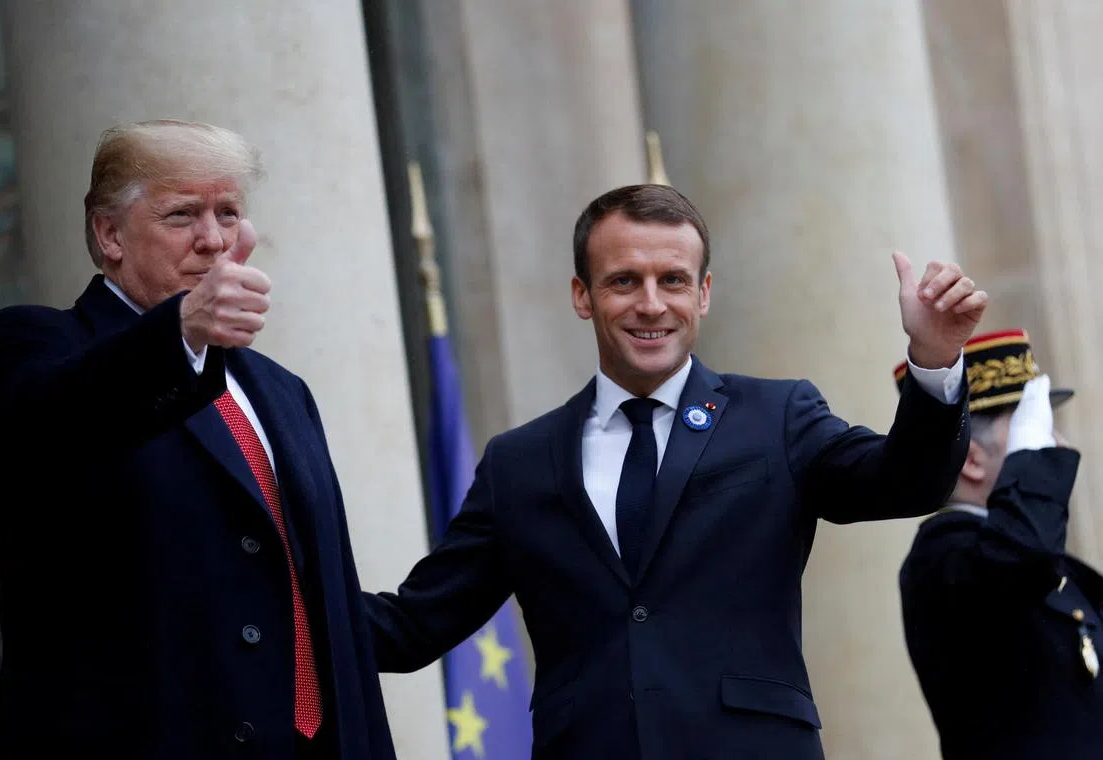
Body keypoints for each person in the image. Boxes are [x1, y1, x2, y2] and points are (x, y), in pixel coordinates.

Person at [365, 184, 985, 759]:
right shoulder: (518, 462)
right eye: (624, 281)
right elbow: (413, 626)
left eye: (673, 280)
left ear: (704, 293)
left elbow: (909, 482)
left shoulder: (777, 416)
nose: (651, 304)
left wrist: (935, 359)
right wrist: (276, 586)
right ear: (582, 295)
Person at [0, 120, 396, 760]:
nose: (214, 239)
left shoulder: (280, 390)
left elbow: (302, 593)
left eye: (228, 213)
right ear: (109, 233)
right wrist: (182, 332)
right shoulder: (30, 345)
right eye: (182, 214)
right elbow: (64, 419)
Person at [897, 332, 1103, 759]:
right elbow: (1023, 557)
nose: (1058, 449)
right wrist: (1035, 469)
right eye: (1037, 436)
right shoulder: (946, 554)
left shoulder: (1036, 558)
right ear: (971, 459)